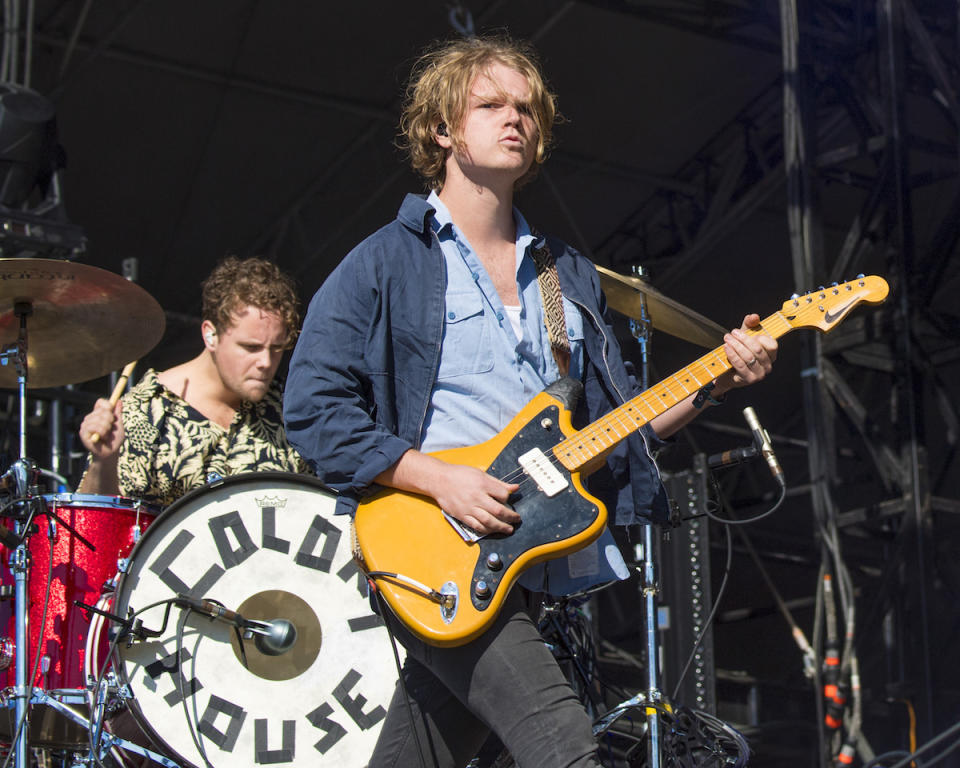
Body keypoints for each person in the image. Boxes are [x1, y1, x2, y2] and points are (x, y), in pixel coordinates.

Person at [283, 36, 778, 768]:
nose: (514, 118)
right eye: (490, 105)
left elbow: (624, 426)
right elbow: (312, 405)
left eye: (525, 108)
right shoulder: (390, 259)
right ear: (442, 129)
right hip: (433, 549)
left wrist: (719, 380)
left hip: (529, 566)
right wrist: (438, 477)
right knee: (567, 748)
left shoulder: (564, 273)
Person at [78, 256, 308, 506]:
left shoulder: (288, 409)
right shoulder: (146, 412)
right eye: (250, 347)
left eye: (276, 348)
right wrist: (104, 463)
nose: (265, 361)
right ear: (210, 334)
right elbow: (96, 529)